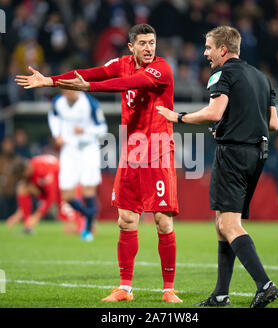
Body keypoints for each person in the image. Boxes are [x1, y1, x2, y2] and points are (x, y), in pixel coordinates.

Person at [15, 24, 182, 303]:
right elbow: (90, 72)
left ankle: (169, 289)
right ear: (131, 47)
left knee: (162, 221)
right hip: (131, 151)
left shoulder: (161, 69)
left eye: (152, 42)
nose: (149, 48)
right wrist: (51, 81)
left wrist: (89, 87)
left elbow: (128, 83)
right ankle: (125, 289)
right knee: (126, 219)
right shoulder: (121, 63)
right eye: (142, 43)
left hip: (157, 150)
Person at [156, 26, 278, 308]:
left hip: (233, 154)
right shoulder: (262, 77)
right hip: (257, 154)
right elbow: (272, 123)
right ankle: (221, 294)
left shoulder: (222, 74)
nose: (206, 53)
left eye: (209, 47)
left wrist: (178, 116)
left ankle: (265, 284)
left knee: (228, 224)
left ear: (223, 50)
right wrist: (229, 125)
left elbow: (214, 112)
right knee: (222, 224)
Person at [48, 89, 108, 242]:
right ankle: (88, 215)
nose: (68, 93)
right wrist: (57, 135)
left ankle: (87, 230)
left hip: (88, 149)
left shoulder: (90, 103)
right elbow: (53, 116)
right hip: (69, 149)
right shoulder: (58, 102)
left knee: (88, 189)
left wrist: (85, 130)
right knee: (66, 194)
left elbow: (102, 128)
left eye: (71, 89)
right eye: (65, 90)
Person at [6, 154, 84, 234]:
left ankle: (87, 223)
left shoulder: (43, 170)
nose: (22, 178)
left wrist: (37, 216)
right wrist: (19, 214)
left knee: (71, 231)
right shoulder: (31, 170)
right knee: (22, 187)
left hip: (65, 190)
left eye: (22, 176)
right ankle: (28, 227)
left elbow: (51, 196)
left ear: (26, 170)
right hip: (51, 189)